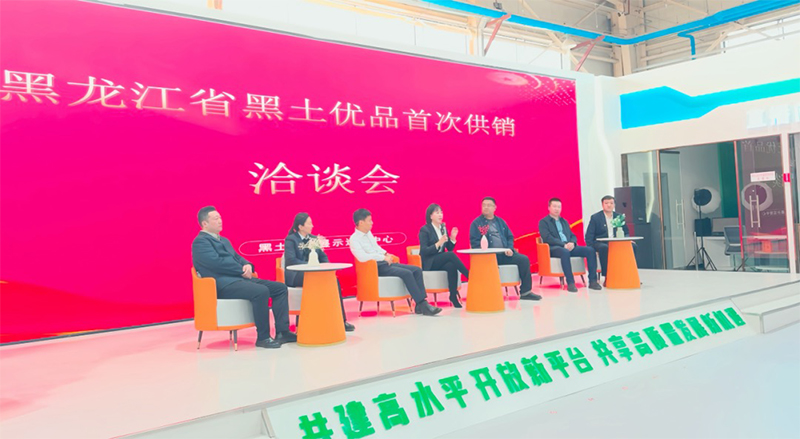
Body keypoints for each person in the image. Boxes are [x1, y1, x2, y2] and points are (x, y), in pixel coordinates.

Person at [191, 206, 296, 349]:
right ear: (205, 223)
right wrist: (240, 270)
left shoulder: (224, 240)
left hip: (239, 280)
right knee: (261, 291)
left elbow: (237, 257)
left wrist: (247, 265)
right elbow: (215, 263)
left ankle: (282, 332)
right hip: (222, 284)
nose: (220, 221)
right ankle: (263, 337)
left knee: (280, 288)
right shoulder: (200, 242)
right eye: (216, 219)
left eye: (220, 217)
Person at [349, 208, 442, 316]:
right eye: (369, 220)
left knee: (416, 270)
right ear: (361, 222)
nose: (372, 223)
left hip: (384, 263)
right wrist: (382, 258)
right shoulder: (354, 239)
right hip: (375, 268)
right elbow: (362, 257)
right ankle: (423, 304)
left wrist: (386, 254)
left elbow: (376, 247)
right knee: (407, 273)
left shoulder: (368, 234)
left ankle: (419, 305)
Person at [284, 213, 355, 332]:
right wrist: (310, 265)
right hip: (296, 275)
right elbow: (291, 260)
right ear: (301, 226)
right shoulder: (291, 239)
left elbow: (323, 257)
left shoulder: (313, 238)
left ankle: (341, 320)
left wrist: (326, 267)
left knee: (333, 280)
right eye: (309, 223)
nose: (312, 226)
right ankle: (311, 319)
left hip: (314, 272)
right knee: (315, 279)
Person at [469, 197, 541, 301]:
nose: (485, 207)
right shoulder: (476, 223)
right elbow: (475, 242)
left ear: (495, 207)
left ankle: (526, 292)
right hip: (490, 256)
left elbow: (510, 237)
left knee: (524, 259)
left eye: (488, 205)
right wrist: (486, 251)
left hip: (505, 254)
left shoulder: (500, 222)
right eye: (484, 205)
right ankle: (488, 293)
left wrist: (510, 248)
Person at [538, 198, 602, 293]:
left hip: (568, 246)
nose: (557, 209)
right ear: (549, 207)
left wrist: (572, 243)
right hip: (554, 248)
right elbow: (547, 238)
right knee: (565, 252)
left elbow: (572, 235)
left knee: (590, 250)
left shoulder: (564, 221)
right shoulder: (543, 222)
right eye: (554, 206)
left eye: (559, 207)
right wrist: (563, 244)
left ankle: (593, 281)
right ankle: (571, 282)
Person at [418, 203, 469, 308]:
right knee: (450, 255)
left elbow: (449, 248)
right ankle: (469, 275)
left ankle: (453, 297)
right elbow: (424, 251)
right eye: (437, 212)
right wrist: (438, 243)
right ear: (431, 216)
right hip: (429, 262)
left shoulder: (443, 228)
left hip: (439, 260)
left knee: (451, 266)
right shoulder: (425, 230)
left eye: (441, 212)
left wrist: (452, 238)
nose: (440, 215)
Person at [585, 195, 638, 285]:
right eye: (606, 203)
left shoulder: (619, 217)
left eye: (611, 203)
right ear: (602, 205)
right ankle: (607, 276)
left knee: (633, 246)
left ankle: (630, 274)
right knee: (604, 248)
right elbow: (589, 235)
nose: (609, 205)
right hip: (600, 242)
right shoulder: (595, 217)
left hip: (616, 242)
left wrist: (627, 239)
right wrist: (590, 248)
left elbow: (626, 232)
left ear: (614, 205)